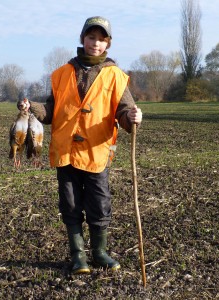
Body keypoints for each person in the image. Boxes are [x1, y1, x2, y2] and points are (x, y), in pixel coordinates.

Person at [26, 16, 142, 274]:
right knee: (69, 204)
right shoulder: (61, 74)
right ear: (83, 39)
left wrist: (132, 118)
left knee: (99, 205)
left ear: (108, 44)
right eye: (91, 38)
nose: (96, 43)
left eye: (102, 40)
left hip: (96, 153)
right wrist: (31, 108)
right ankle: (78, 256)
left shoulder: (116, 76)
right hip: (65, 152)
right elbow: (50, 112)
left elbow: (124, 113)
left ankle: (100, 253)